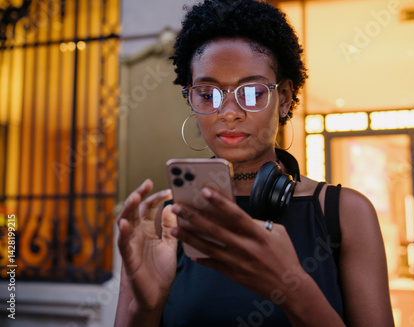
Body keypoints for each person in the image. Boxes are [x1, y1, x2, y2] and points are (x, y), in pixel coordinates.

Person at [114, 0, 394, 326]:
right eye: (208, 93)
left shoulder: (344, 213)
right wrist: (145, 308)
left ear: (285, 98)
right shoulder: (167, 223)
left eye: (252, 92)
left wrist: (294, 289)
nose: (229, 112)